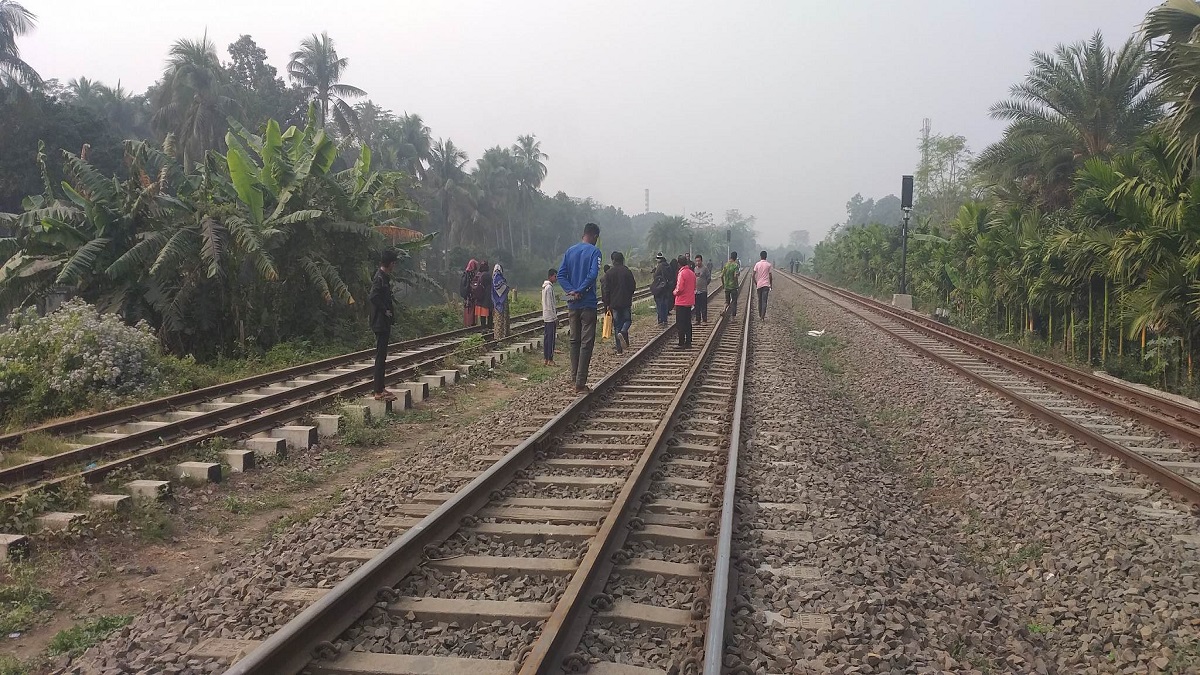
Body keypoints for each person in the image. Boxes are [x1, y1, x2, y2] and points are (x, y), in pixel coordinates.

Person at [558, 222, 603, 393]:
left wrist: (571, 291)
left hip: (572, 303)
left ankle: (573, 377)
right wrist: (580, 290)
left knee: (574, 340)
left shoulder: (570, 251)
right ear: (595, 237)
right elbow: (593, 275)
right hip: (588, 303)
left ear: (583, 234)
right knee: (586, 342)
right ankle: (580, 382)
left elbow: (561, 274)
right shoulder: (594, 252)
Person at [369, 249, 399, 401]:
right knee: (380, 357)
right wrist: (385, 310)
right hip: (380, 322)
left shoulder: (384, 277)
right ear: (391, 263)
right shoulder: (379, 278)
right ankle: (377, 391)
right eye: (394, 263)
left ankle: (381, 387)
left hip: (384, 322)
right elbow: (373, 296)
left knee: (383, 356)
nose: (394, 266)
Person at [602, 251, 636, 354]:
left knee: (617, 324)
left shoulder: (609, 273)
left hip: (614, 303)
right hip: (625, 302)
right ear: (622, 260)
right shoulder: (627, 271)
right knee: (627, 320)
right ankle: (623, 331)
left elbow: (606, 290)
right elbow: (632, 286)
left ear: (613, 260)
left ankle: (619, 350)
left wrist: (607, 303)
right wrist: (629, 294)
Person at [673, 254, 696, 349]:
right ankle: (688, 342)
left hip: (681, 302)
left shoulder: (681, 273)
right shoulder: (692, 273)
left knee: (681, 323)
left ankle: (681, 342)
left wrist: (674, 292)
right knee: (688, 322)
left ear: (679, 264)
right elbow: (694, 286)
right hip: (689, 302)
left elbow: (680, 288)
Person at [542, 268, 558, 366]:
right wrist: (555, 317)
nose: (556, 278)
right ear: (551, 276)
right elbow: (551, 304)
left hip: (546, 315)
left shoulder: (544, 287)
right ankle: (550, 359)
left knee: (547, 338)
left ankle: (546, 358)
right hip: (550, 316)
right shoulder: (549, 288)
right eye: (555, 276)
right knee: (551, 338)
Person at [651, 252, 672, 326]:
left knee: (659, 304)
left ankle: (660, 320)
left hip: (659, 289)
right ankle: (665, 320)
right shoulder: (668, 265)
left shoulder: (659, 266)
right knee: (665, 304)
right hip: (666, 288)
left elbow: (655, 276)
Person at [753, 250, 773, 321]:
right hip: (766, 285)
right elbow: (770, 276)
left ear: (760, 256)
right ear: (766, 256)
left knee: (759, 300)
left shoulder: (757, 264)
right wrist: (770, 284)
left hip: (759, 285)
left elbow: (753, 275)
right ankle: (762, 317)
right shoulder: (768, 265)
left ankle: (760, 315)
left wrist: (756, 283)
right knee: (764, 301)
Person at [492, 263, 511, 339]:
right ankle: (501, 334)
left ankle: (500, 334)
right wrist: (506, 288)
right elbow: (501, 288)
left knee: (499, 318)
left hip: (497, 302)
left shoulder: (493, 277)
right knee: (501, 318)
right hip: (501, 301)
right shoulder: (498, 277)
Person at [473, 258, 493, 328]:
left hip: (479, 296)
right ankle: (489, 326)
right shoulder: (488, 275)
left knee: (482, 314)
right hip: (487, 296)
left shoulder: (478, 275)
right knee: (489, 312)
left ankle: (483, 327)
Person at [722, 251, 741, 317]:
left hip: (727, 286)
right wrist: (736, 283)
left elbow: (721, 276)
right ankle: (733, 317)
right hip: (733, 287)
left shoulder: (726, 265)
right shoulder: (735, 265)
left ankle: (724, 309)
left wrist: (723, 284)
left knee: (727, 301)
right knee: (734, 302)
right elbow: (736, 275)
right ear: (735, 257)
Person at [693, 254, 710, 324]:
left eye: (699, 261)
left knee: (703, 306)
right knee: (697, 306)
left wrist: (705, 284)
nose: (698, 262)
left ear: (701, 261)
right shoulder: (695, 269)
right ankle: (698, 319)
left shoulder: (705, 269)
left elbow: (709, 278)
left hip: (703, 290)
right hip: (696, 291)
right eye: (696, 261)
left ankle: (704, 320)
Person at [461, 259, 479, 327]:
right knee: (471, 309)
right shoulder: (471, 274)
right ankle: (471, 323)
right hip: (470, 295)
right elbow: (473, 284)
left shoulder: (465, 273)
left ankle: (467, 323)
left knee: (467, 309)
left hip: (466, 295)